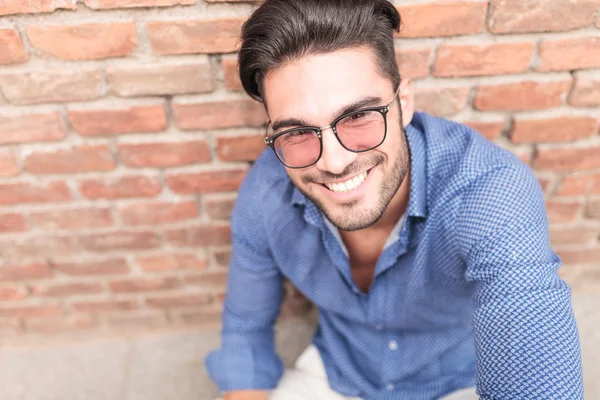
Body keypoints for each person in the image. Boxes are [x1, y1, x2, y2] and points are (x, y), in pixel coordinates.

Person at [205, 0, 584, 399]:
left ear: (403, 104)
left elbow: (528, 331)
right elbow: (246, 329)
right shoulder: (266, 195)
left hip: (457, 380)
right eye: (297, 131)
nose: (335, 161)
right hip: (339, 372)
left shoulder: (489, 190)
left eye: (358, 116)